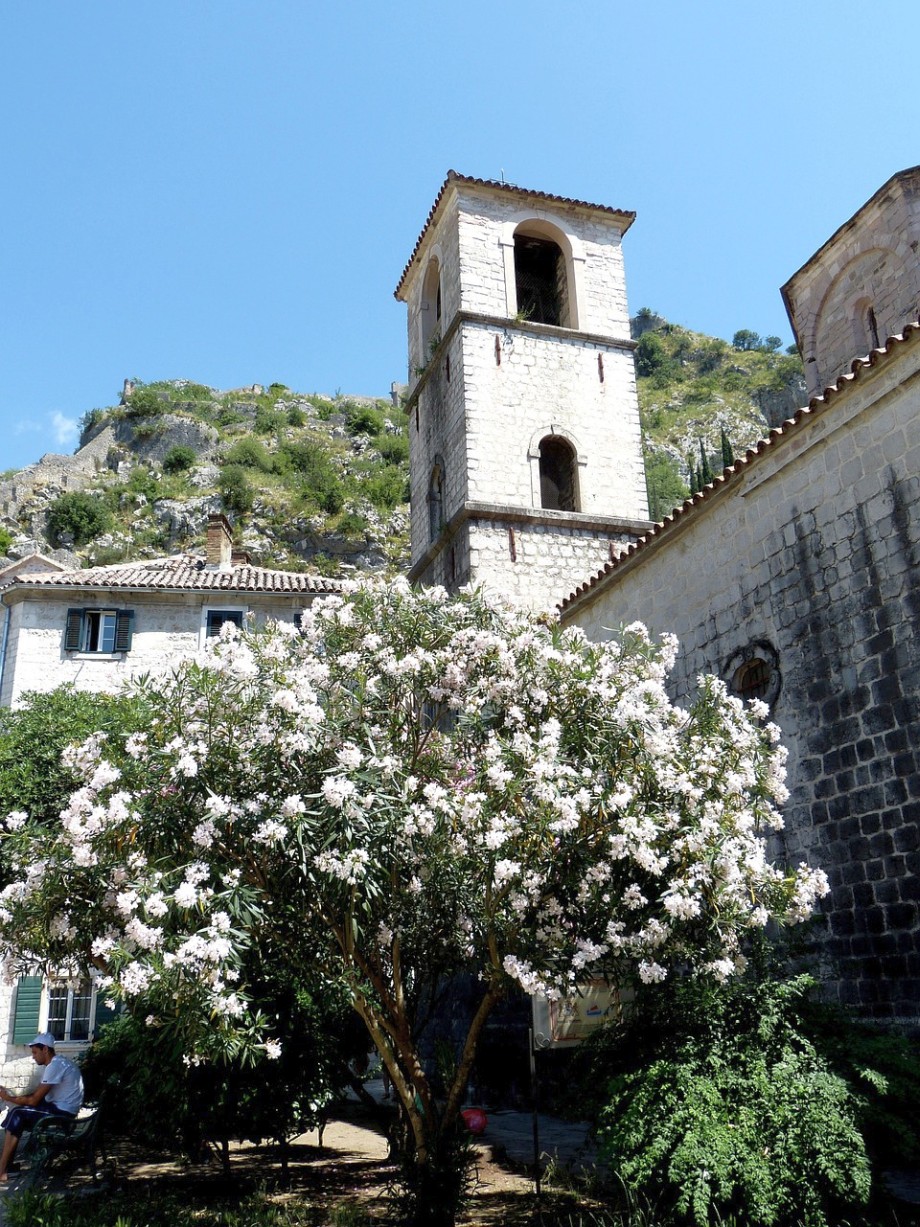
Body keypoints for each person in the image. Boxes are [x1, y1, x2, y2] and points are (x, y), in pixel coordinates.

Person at [0, 1032, 84, 1182]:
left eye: (35, 1052)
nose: (33, 1057)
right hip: (61, 1109)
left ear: (45, 1049)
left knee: (17, 1113)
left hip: (62, 1114)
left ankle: (1, 1170)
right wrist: (12, 1097)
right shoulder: (58, 1063)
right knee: (16, 1113)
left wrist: (7, 1098)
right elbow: (37, 1094)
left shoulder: (55, 1066)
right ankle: (7, 1167)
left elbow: (33, 1101)